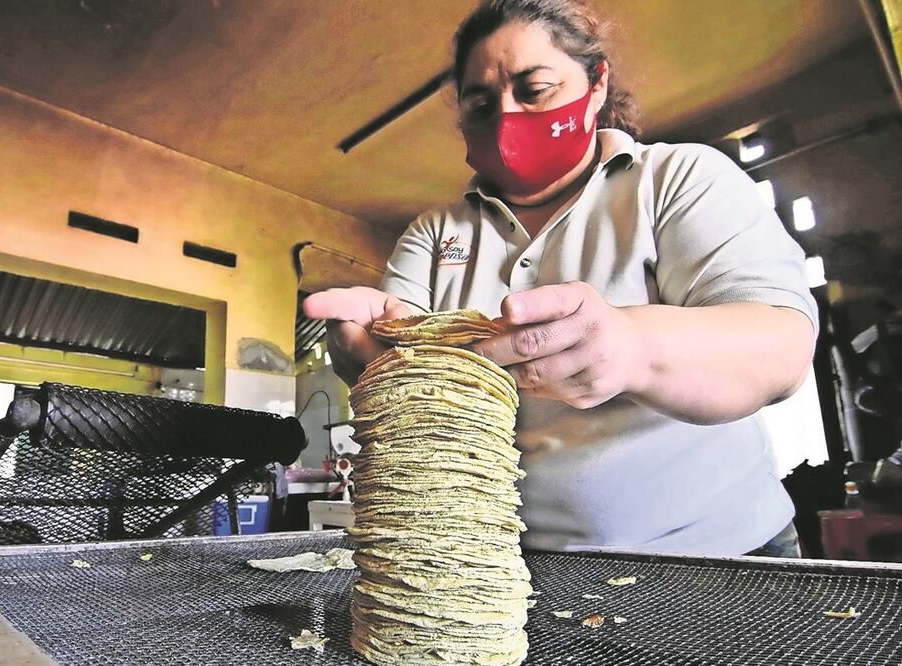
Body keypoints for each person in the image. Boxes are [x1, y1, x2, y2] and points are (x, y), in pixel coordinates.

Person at [304, 0, 817, 557]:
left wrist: (630, 347)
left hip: (718, 558)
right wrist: (367, 353)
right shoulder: (434, 232)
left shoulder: (676, 179)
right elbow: (397, 357)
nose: (507, 116)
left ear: (596, 85)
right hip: (508, 570)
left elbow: (781, 348)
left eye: (535, 88)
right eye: (481, 103)